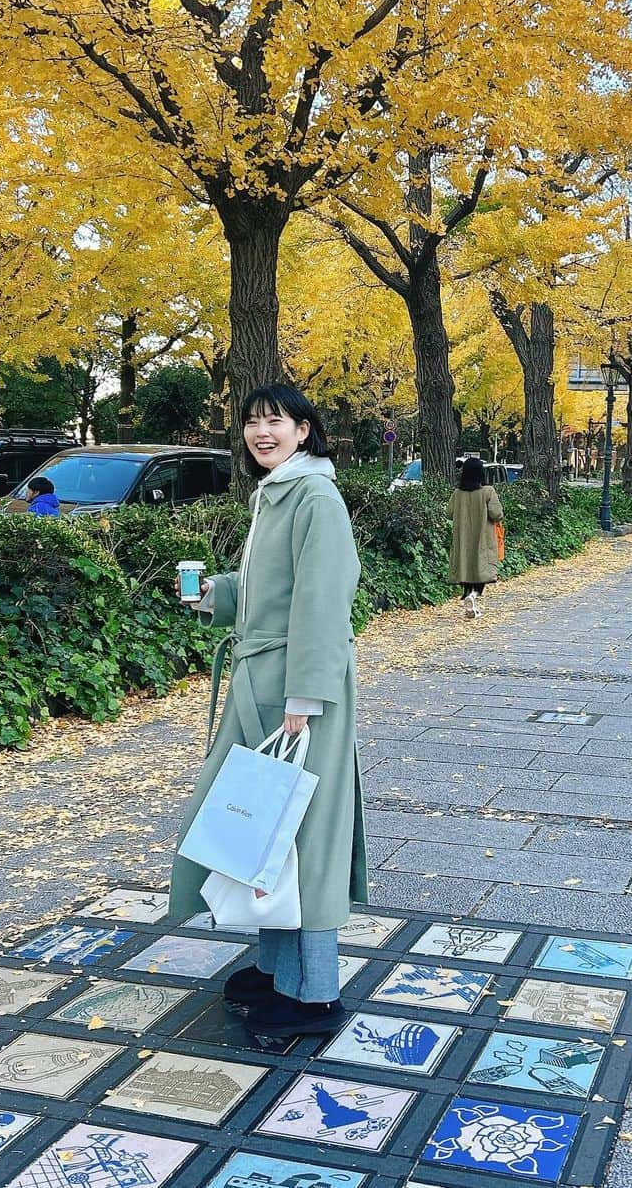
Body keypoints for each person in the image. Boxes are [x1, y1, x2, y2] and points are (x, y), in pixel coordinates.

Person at [170, 383, 365, 1039]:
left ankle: (314, 995)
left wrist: (304, 699)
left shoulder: (315, 496)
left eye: (275, 420)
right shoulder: (279, 491)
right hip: (267, 686)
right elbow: (269, 590)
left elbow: (323, 599)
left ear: (305, 428)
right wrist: (211, 596)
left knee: (302, 840)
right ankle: (279, 968)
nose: (262, 431)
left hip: (298, 695)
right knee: (268, 834)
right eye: (253, 421)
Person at [449, 457, 504, 619]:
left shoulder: (457, 494)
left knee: (466, 568)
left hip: (463, 538)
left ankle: (468, 596)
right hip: (483, 538)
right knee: (481, 569)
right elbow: (497, 513)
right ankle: (473, 596)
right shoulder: (488, 492)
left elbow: (449, 513)